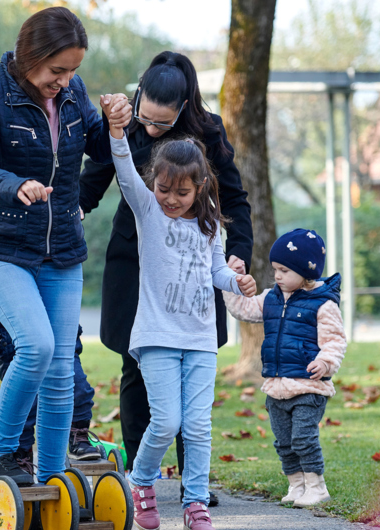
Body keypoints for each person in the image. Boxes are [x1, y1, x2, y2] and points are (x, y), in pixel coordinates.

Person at [0, 6, 131, 487]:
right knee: (35, 345)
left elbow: (96, 146)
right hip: (0, 247)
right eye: (58, 70)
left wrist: (118, 122)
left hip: (62, 250)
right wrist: (13, 184)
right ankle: (3, 456)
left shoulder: (73, 93)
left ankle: (53, 475)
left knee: (59, 367)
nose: (66, 80)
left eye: (74, 70)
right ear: (31, 55)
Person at [78, 51, 253, 506]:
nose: (150, 128)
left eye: (160, 123)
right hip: (134, 260)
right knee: (136, 369)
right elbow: (96, 174)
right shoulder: (127, 124)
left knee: (193, 380)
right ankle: (144, 480)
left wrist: (236, 259)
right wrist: (74, 209)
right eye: (144, 118)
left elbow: (233, 200)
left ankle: (195, 486)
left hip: (194, 265)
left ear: (181, 110)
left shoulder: (208, 133)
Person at [222, 228, 346, 508]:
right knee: (284, 443)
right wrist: (228, 282)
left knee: (303, 438)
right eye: (275, 269)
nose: (277, 275)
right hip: (276, 387)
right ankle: (296, 485)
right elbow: (242, 309)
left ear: (306, 272)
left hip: (308, 385)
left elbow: (335, 340)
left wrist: (325, 362)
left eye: (284, 270)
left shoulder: (323, 304)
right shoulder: (271, 298)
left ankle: (317, 487)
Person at [0, 292, 99, 478]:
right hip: (14, 350)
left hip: (61, 348)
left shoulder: (52, 269)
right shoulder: (1, 272)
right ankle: (21, 456)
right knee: (24, 406)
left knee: (79, 388)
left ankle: (78, 435)